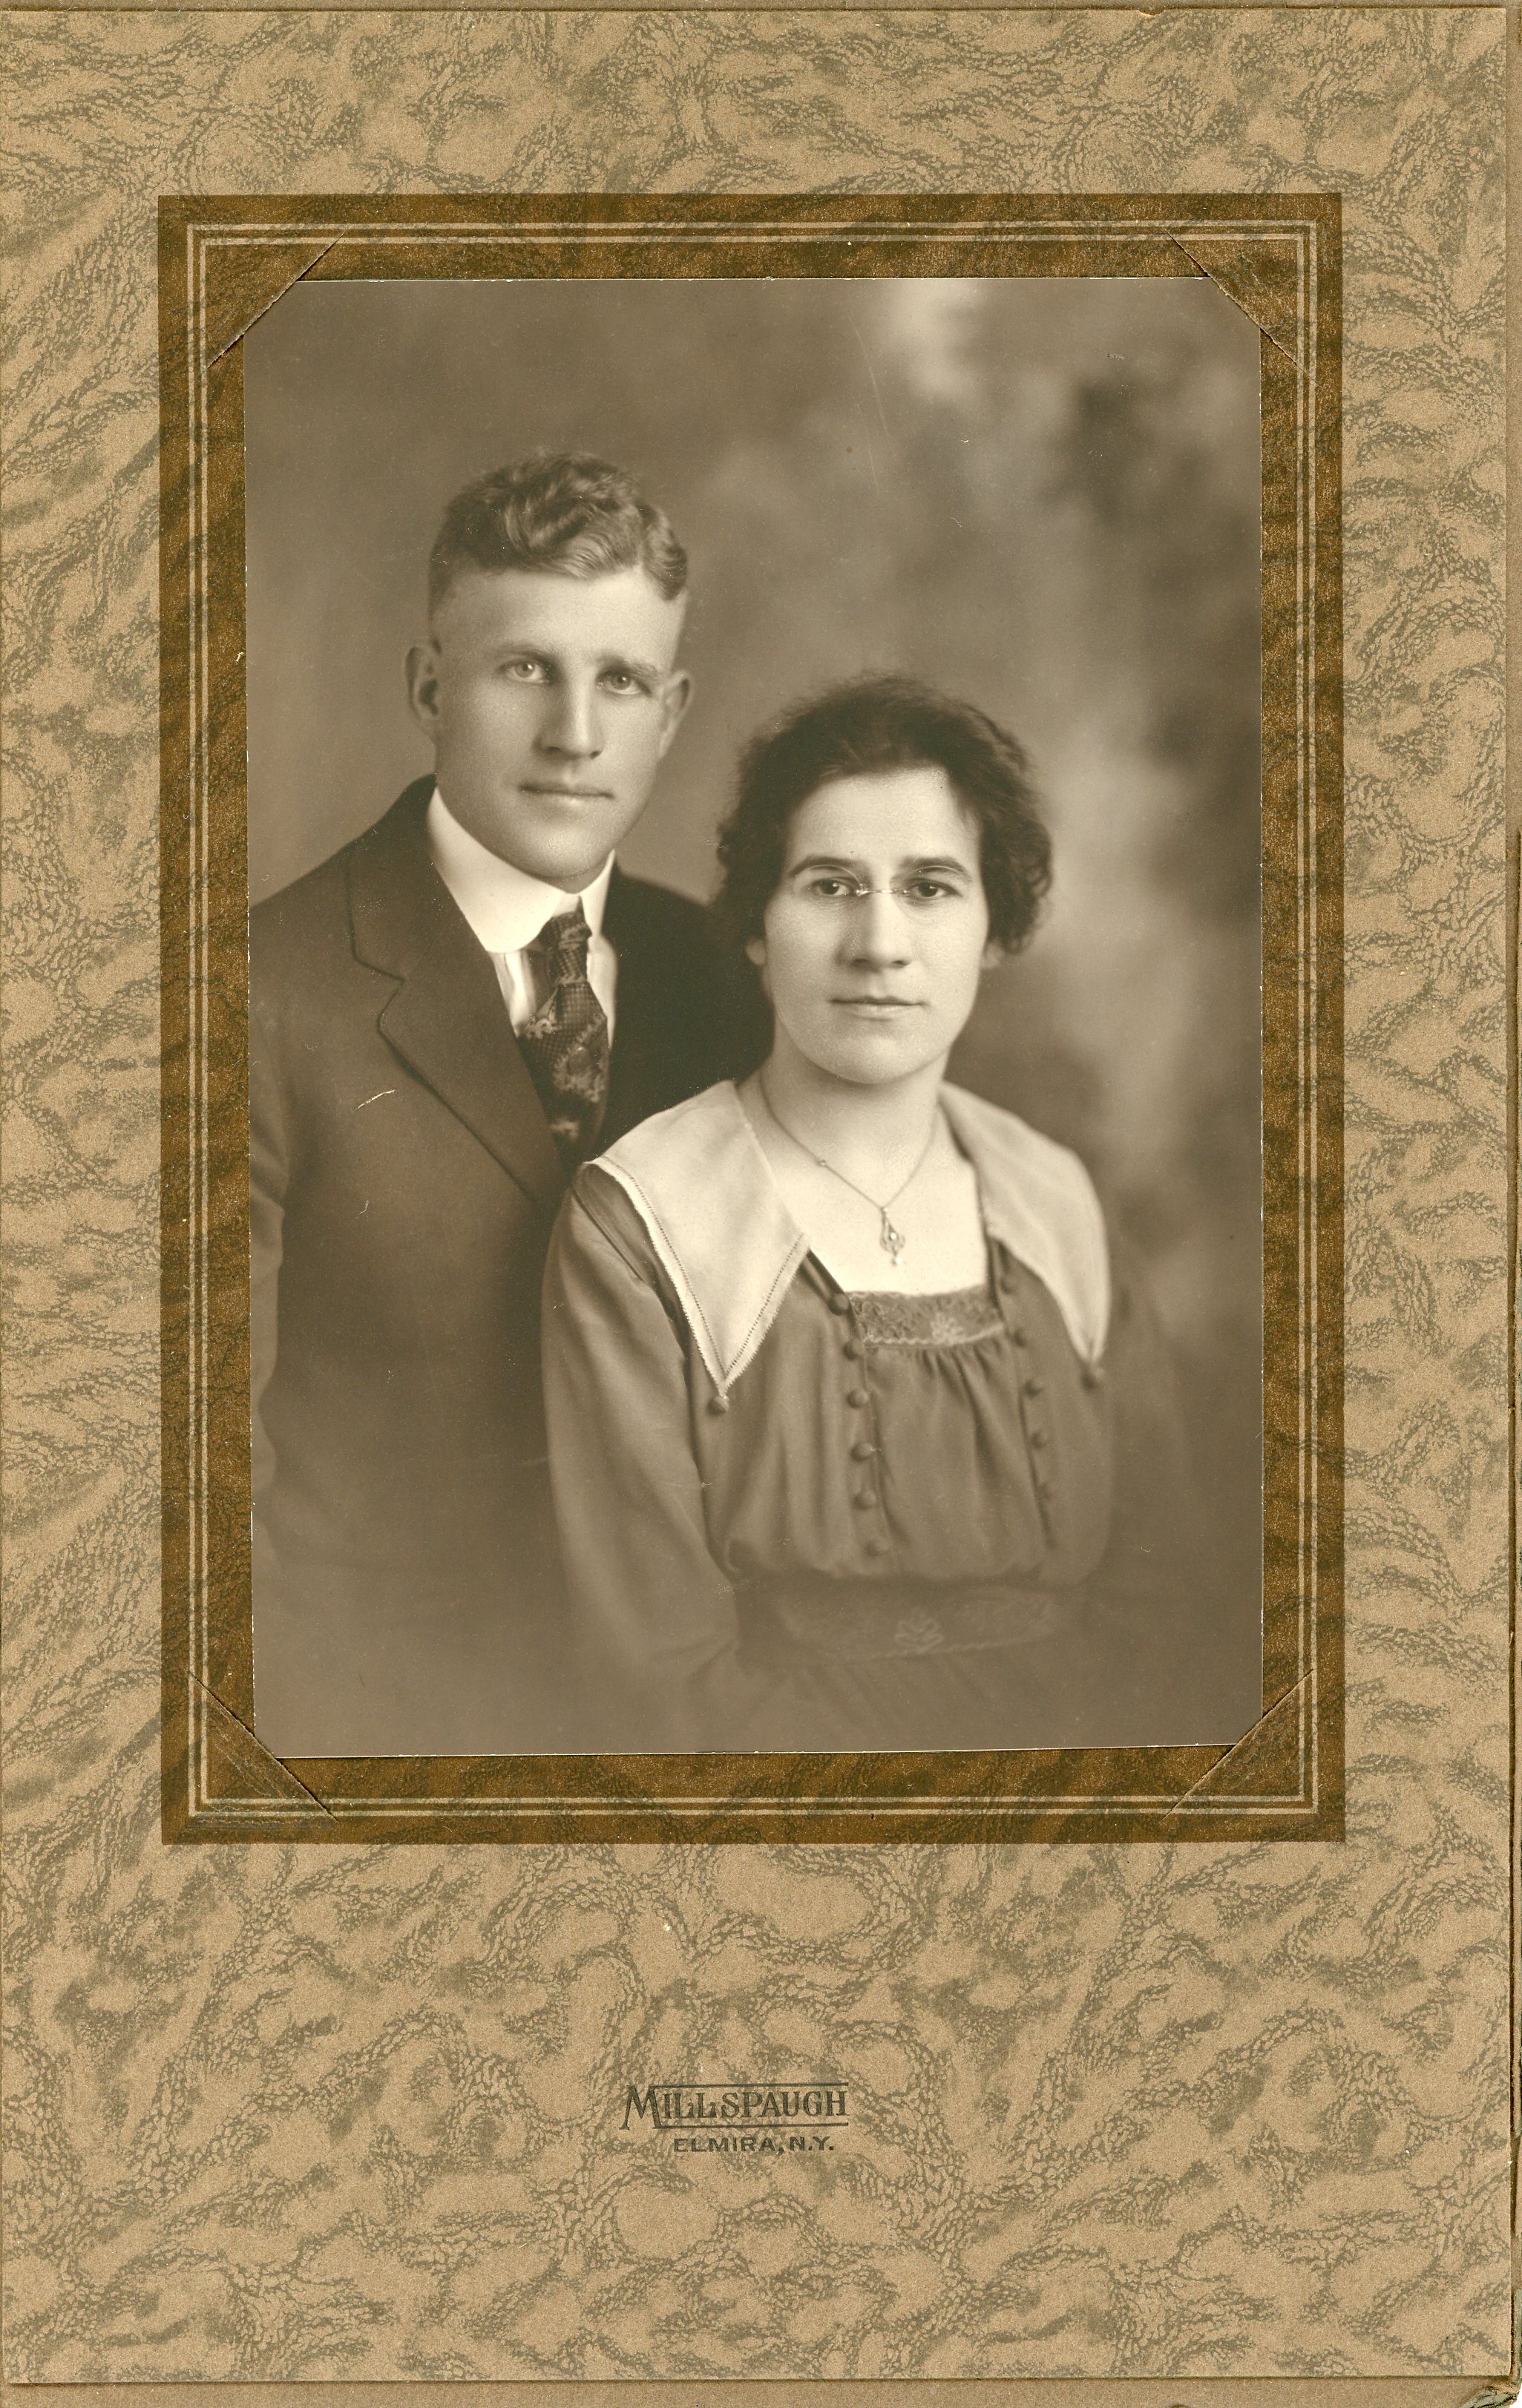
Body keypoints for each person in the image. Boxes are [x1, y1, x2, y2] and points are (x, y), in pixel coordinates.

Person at [542, 676, 1204, 1754]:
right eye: (830, 885)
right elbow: (661, 1683)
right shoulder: (645, 1222)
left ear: (996, 928)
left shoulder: (1054, 1198)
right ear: (758, 927)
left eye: (931, 887)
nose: (879, 942)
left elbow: (1164, 1603)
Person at [249, 453, 764, 1756]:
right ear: (430, 687)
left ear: (673, 711)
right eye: (525, 668)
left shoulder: (731, 986)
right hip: (372, 1735)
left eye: (621, 680)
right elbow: (178, 1487)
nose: (575, 734)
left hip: (685, 1727)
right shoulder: (254, 989)